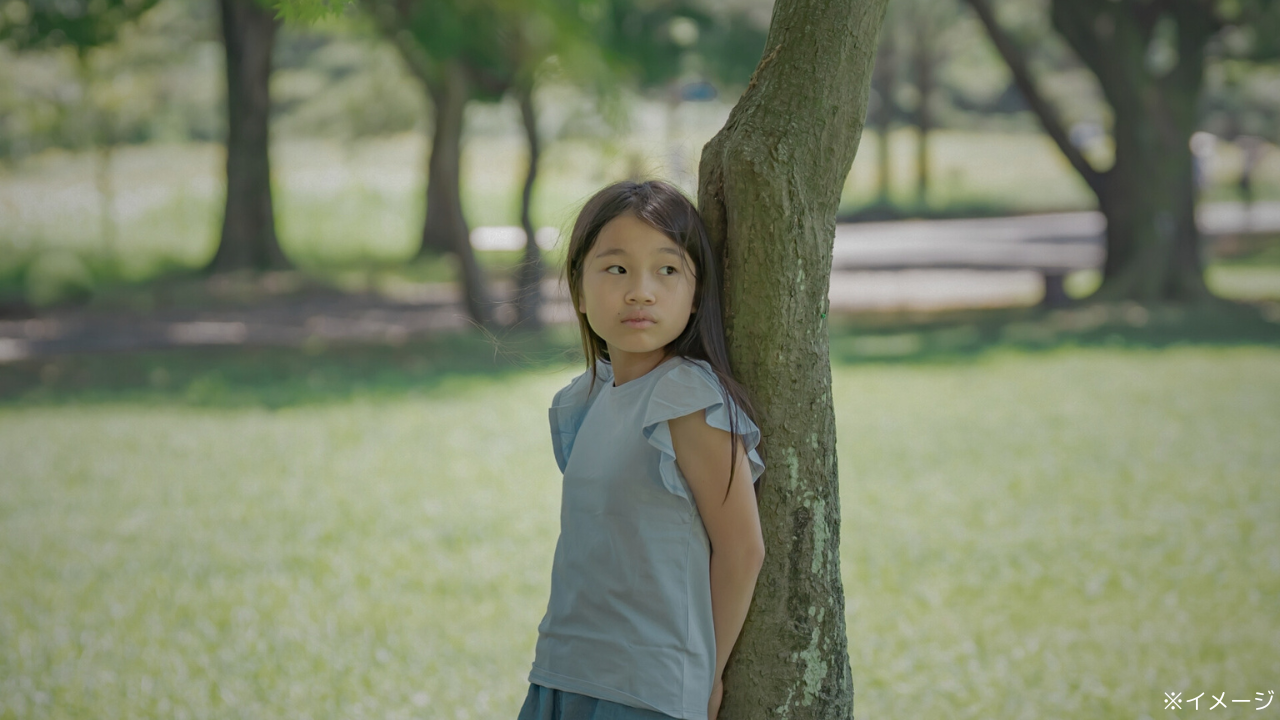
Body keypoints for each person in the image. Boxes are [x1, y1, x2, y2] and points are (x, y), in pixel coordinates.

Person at [517, 180, 768, 720]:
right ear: (579, 291)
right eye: (616, 269)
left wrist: (710, 674)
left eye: (667, 270)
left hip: (646, 689)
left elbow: (742, 550)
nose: (641, 292)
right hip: (564, 670)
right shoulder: (584, 401)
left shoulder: (687, 400)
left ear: (696, 293)